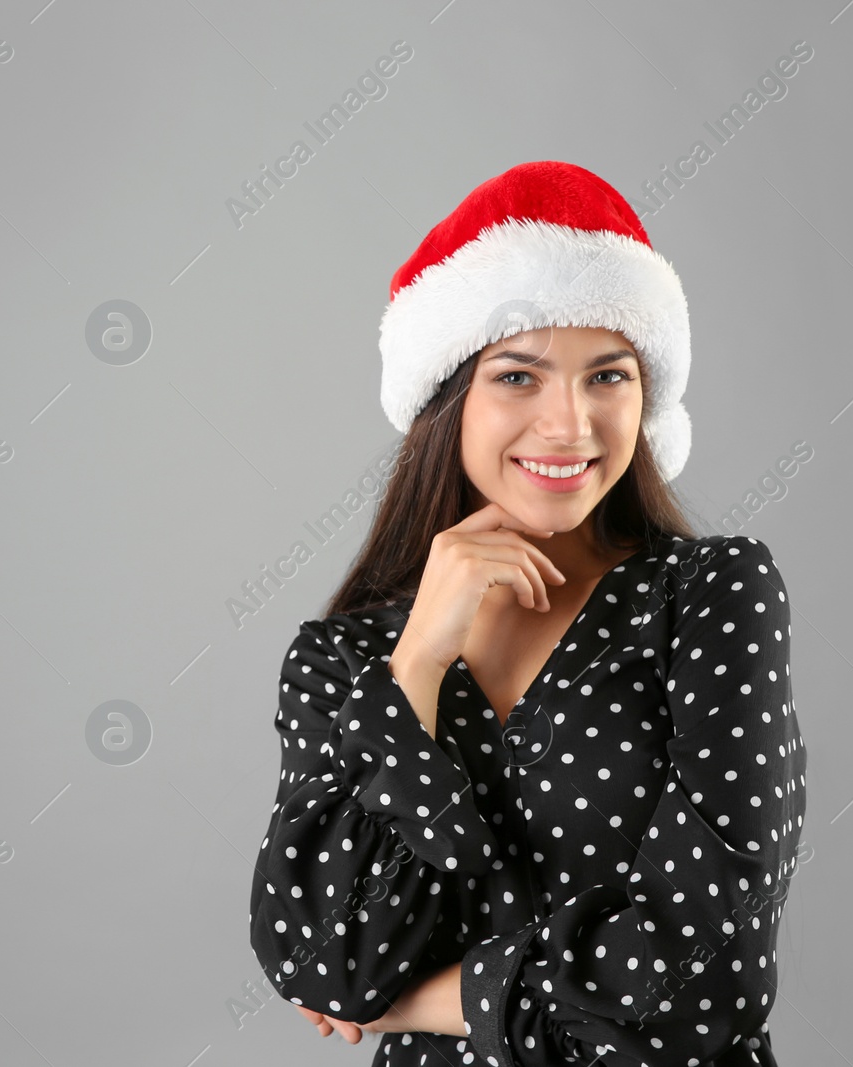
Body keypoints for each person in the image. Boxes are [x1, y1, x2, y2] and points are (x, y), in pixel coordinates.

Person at [247, 161, 808, 1066]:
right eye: (518, 377)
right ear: (446, 398)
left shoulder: (709, 597)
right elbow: (321, 957)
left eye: (608, 377)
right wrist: (420, 659)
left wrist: (431, 997)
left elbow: (711, 979)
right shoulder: (345, 660)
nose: (570, 425)